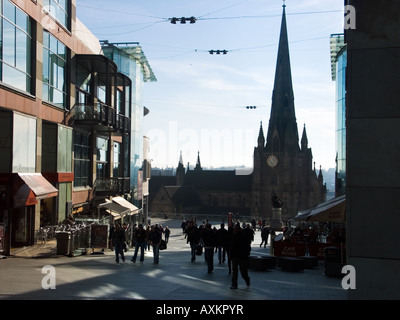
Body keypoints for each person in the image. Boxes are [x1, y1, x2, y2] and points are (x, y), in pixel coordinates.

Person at [229, 223, 251, 289]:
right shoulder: (243, 236)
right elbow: (248, 247)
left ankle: (235, 284)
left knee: (237, 271)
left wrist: (230, 256)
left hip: (238, 256)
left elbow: (232, 247)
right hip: (241, 256)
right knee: (242, 271)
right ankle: (245, 281)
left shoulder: (235, 237)